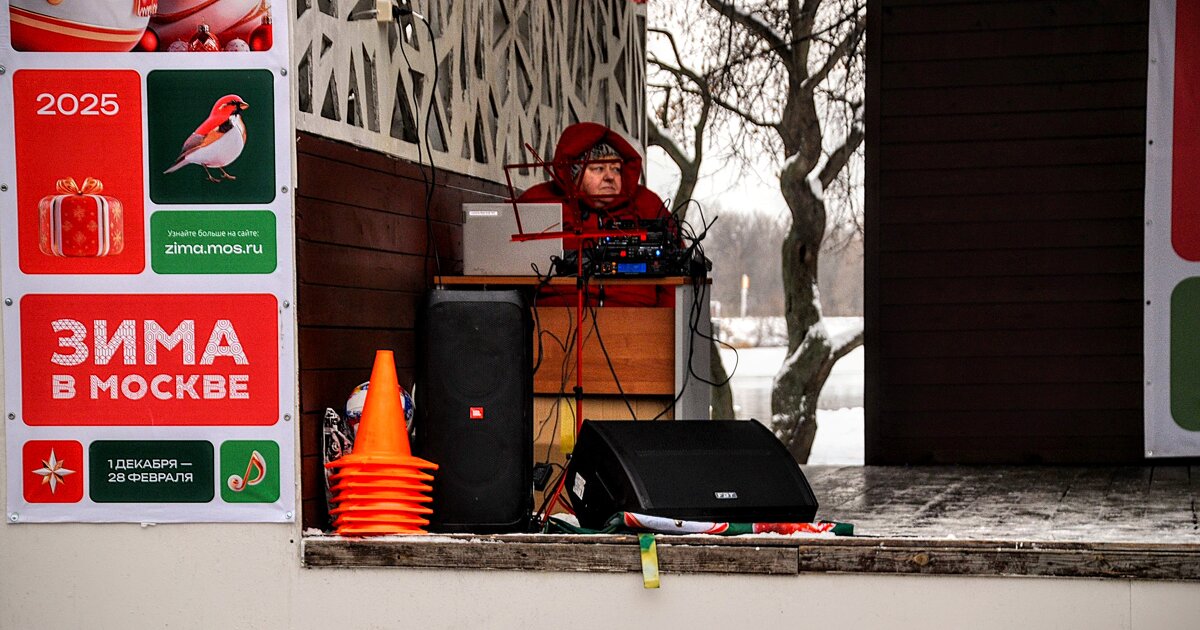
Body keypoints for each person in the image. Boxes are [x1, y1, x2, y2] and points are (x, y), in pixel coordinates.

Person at [517, 122, 675, 306]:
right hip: (551, 324)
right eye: (599, 168)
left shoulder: (647, 203)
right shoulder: (538, 200)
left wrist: (665, 326)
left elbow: (676, 274)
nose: (610, 177)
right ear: (573, 174)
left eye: (616, 169)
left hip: (639, 323)